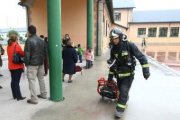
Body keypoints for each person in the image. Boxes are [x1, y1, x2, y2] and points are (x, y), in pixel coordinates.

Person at [107, 28, 150, 119]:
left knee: (123, 92)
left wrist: (145, 71)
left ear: (120, 37)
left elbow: (142, 57)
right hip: (119, 76)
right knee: (122, 91)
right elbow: (112, 63)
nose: (114, 40)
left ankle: (119, 111)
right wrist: (110, 78)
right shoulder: (113, 49)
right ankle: (125, 98)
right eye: (112, 38)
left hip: (128, 76)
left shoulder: (129, 45)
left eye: (116, 38)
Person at [24, 25, 47, 104]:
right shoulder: (41, 40)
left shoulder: (29, 40)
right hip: (40, 63)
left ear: (29, 32)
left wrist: (26, 64)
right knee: (41, 79)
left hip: (32, 64)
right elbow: (45, 52)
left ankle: (34, 99)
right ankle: (44, 94)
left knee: (32, 80)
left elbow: (27, 54)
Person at [7, 34, 26, 101]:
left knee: (13, 81)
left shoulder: (8, 46)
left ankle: (14, 95)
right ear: (16, 39)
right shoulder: (16, 45)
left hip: (11, 66)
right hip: (17, 66)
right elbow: (23, 54)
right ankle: (19, 96)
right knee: (16, 82)